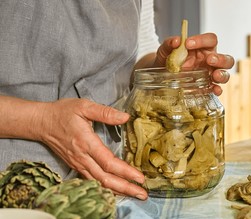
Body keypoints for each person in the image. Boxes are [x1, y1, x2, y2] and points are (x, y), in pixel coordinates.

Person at [0, 0, 234, 200]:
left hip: (118, 175)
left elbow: (135, 51)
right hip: (15, 185)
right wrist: (40, 120)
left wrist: (160, 75)